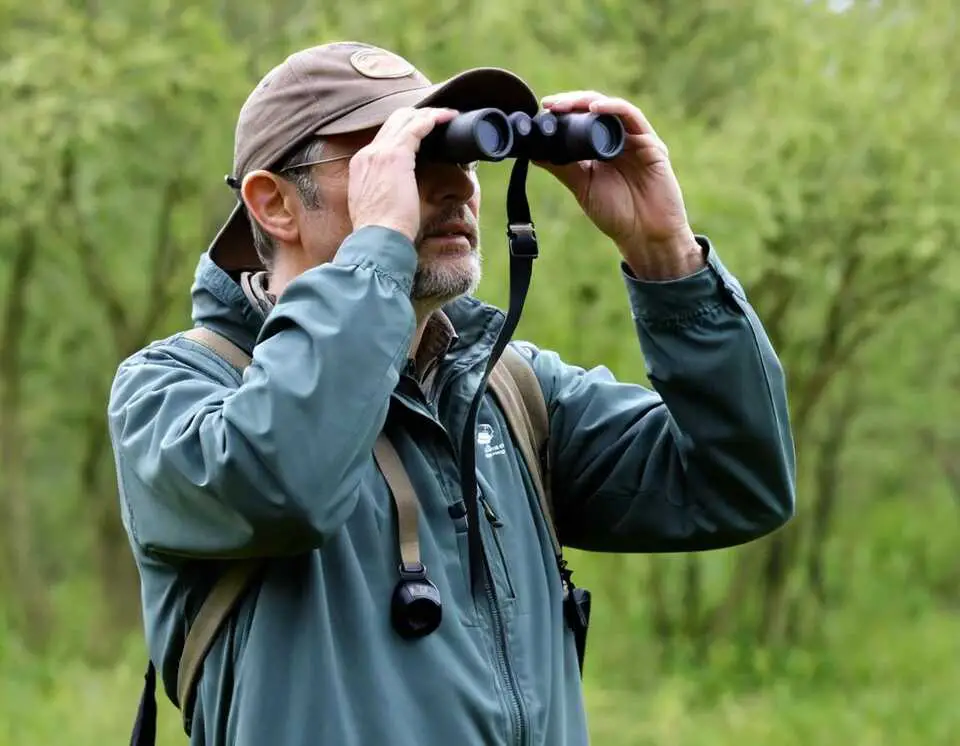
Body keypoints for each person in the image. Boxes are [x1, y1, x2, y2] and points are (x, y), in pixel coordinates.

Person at [108, 40, 795, 746]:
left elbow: (739, 485)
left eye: (459, 153)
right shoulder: (173, 395)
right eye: (398, 158)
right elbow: (286, 479)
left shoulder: (507, 391)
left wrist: (668, 259)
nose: (454, 186)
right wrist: (379, 248)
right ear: (275, 203)